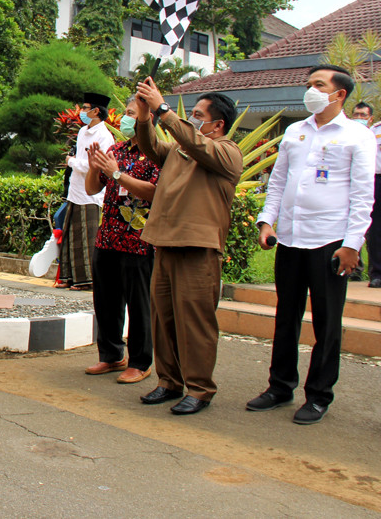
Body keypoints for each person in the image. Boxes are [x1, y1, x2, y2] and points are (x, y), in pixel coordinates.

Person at [247, 65, 375, 424]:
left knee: (327, 322)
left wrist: (352, 244)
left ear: (339, 94)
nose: (310, 90)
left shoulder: (357, 135)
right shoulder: (294, 131)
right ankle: (280, 386)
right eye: (309, 84)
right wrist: (266, 221)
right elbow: (278, 181)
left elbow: (364, 195)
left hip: (330, 241)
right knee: (286, 316)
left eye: (318, 85)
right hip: (289, 237)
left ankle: (319, 395)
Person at [133, 79, 242, 415]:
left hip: (199, 247)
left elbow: (197, 145)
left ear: (218, 124)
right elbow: (152, 147)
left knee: (194, 321)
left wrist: (164, 110)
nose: (192, 119)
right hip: (166, 241)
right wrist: (143, 117)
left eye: (198, 115)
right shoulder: (182, 150)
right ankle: (169, 381)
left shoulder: (226, 152)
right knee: (162, 318)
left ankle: (200, 388)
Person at [82, 96, 159, 383]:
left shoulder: (158, 154)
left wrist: (117, 173)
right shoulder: (117, 149)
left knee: (139, 304)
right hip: (108, 235)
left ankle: (140, 362)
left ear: (147, 119)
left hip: (139, 239)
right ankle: (112, 355)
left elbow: (153, 192)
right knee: (106, 300)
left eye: (131, 113)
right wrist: (94, 167)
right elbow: (92, 189)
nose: (124, 118)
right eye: (125, 112)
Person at [57, 92, 115, 290]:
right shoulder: (82, 132)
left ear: (96, 111)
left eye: (85, 108)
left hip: (91, 194)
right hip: (75, 191)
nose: (82, 111)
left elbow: (96, 166)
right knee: (70, 235)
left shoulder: (105, 136)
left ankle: (86, 280)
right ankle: (68, 276)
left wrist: (71, 162)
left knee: (86, 237)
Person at [356, 102, 381, 287]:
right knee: (376, 229)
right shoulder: (373, 132)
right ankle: (377, 273)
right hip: (376, 180)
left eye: (362, 115)